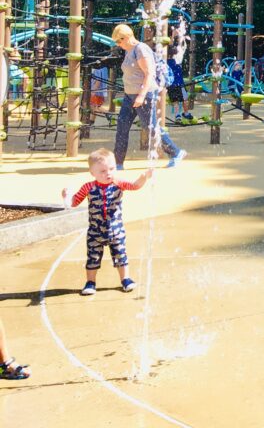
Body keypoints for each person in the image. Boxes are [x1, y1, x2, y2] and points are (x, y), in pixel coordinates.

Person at [61, 148, 153, 296]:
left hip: (115, 230)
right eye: (102, 171)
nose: (108, 173)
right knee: (93, 257)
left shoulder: (118, 184)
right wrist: (67, 197)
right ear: (93, 173)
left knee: (120, 255)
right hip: (95, 231)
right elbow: (74, 202)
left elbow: (134, 186)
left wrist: (144, 177)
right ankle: (90, 282)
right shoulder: (88, 187)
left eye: (111, 169)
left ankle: (125, 279)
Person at [111, 24, 186, 169]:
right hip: (129, 95)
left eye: (119, 41)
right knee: (122, 126)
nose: (118, 45)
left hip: (143, 95)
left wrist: (141, 96)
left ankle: (175, 152)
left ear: (126, 37)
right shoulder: (128, 51)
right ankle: (118, 162)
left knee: (151, 128)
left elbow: (149, 74)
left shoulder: (140, 49)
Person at [166, 42, 188, 121]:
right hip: (179, 85)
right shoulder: (177, 62)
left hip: (170, 86)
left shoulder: (164, 63)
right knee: (185, 99)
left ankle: (177, 115)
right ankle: (186, 113)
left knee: (175, 101)